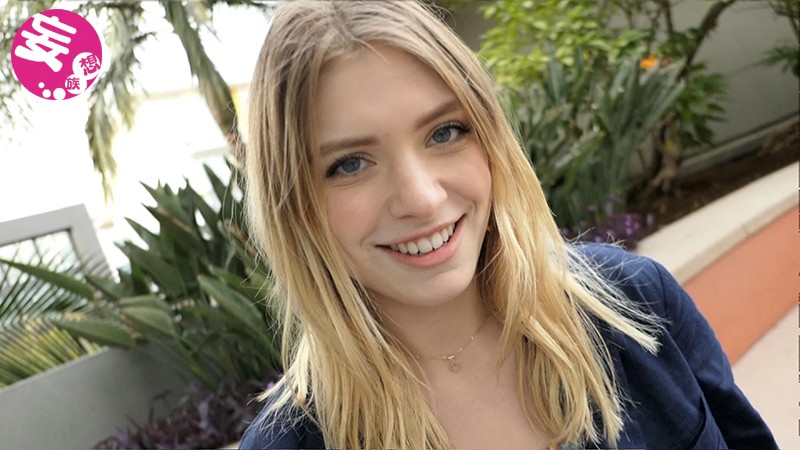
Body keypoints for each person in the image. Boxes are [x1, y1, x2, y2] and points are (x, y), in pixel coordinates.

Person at [239, 1, 777, 448]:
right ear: (293, 205)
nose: (422, 199)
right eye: (350, 164)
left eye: (444, 132)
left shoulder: (637, 304)